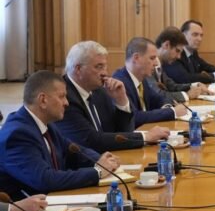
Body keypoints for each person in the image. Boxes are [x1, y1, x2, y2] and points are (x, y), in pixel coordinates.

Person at [0, 71, 120, 199]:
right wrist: (98, 172)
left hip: (54, 201)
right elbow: (45, 180)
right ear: (43, 100)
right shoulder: (17, 135)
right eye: (62, 96)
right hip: (30, 208)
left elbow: (75, 151)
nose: (66, 102)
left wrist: (100, 160)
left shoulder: (47, 125)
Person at [53, 41, 170, 152]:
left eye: (105, 66)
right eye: (99, 67)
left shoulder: (99, 91)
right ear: (78, 69)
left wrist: (122, 102)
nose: (105, 73)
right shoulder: (64, 98)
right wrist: (145, 137)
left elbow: (122, 133)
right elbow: (92, 141)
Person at [113, 38, 186, 127]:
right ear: (136, 58)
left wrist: (167, 107)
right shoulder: (120, 82)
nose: (156, 64)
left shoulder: (142, 79)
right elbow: (134, 117)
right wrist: (172, 112)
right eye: (152, 58)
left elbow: (159, 99)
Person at [163, 20, 215, 85]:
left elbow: (205, 66)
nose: (199, 39)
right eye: (195, 35)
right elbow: (185, 78)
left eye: (201, 35)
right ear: (183, 35)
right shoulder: (175, 53)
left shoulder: (193, 52)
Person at [154, 27, 212, 102]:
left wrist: (195, 85)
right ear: (166, 45)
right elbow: (156, 96)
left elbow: (172, 86)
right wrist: (187, 95)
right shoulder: (148, 65)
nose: (179, 57)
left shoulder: (159, 64)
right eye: (177, 51)